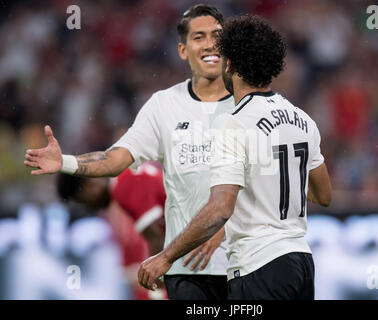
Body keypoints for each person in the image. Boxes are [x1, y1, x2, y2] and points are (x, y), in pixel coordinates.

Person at [24, 4, 232, 300]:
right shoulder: (162, 108)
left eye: (215, 36)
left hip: (222, 256)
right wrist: (68, 162)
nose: (89, 206)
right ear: (182, 51)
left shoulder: (125, 187)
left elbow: (156, 237)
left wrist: (159, 282)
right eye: (199, 37)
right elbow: (113, 157)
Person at [137, 15, 332, 300]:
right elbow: (323, 194)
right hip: (301, 262)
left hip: (259, 266)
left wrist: (166, 257)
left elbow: (220, 208)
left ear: (230, 65)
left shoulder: (234, 122)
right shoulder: (302, 120)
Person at [57, 168, 167, 300]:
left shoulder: (121, 187)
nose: (89, 206)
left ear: (88, 184)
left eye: (83, 201)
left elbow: (156, 237)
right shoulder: (125, 176)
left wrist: (157, 290)